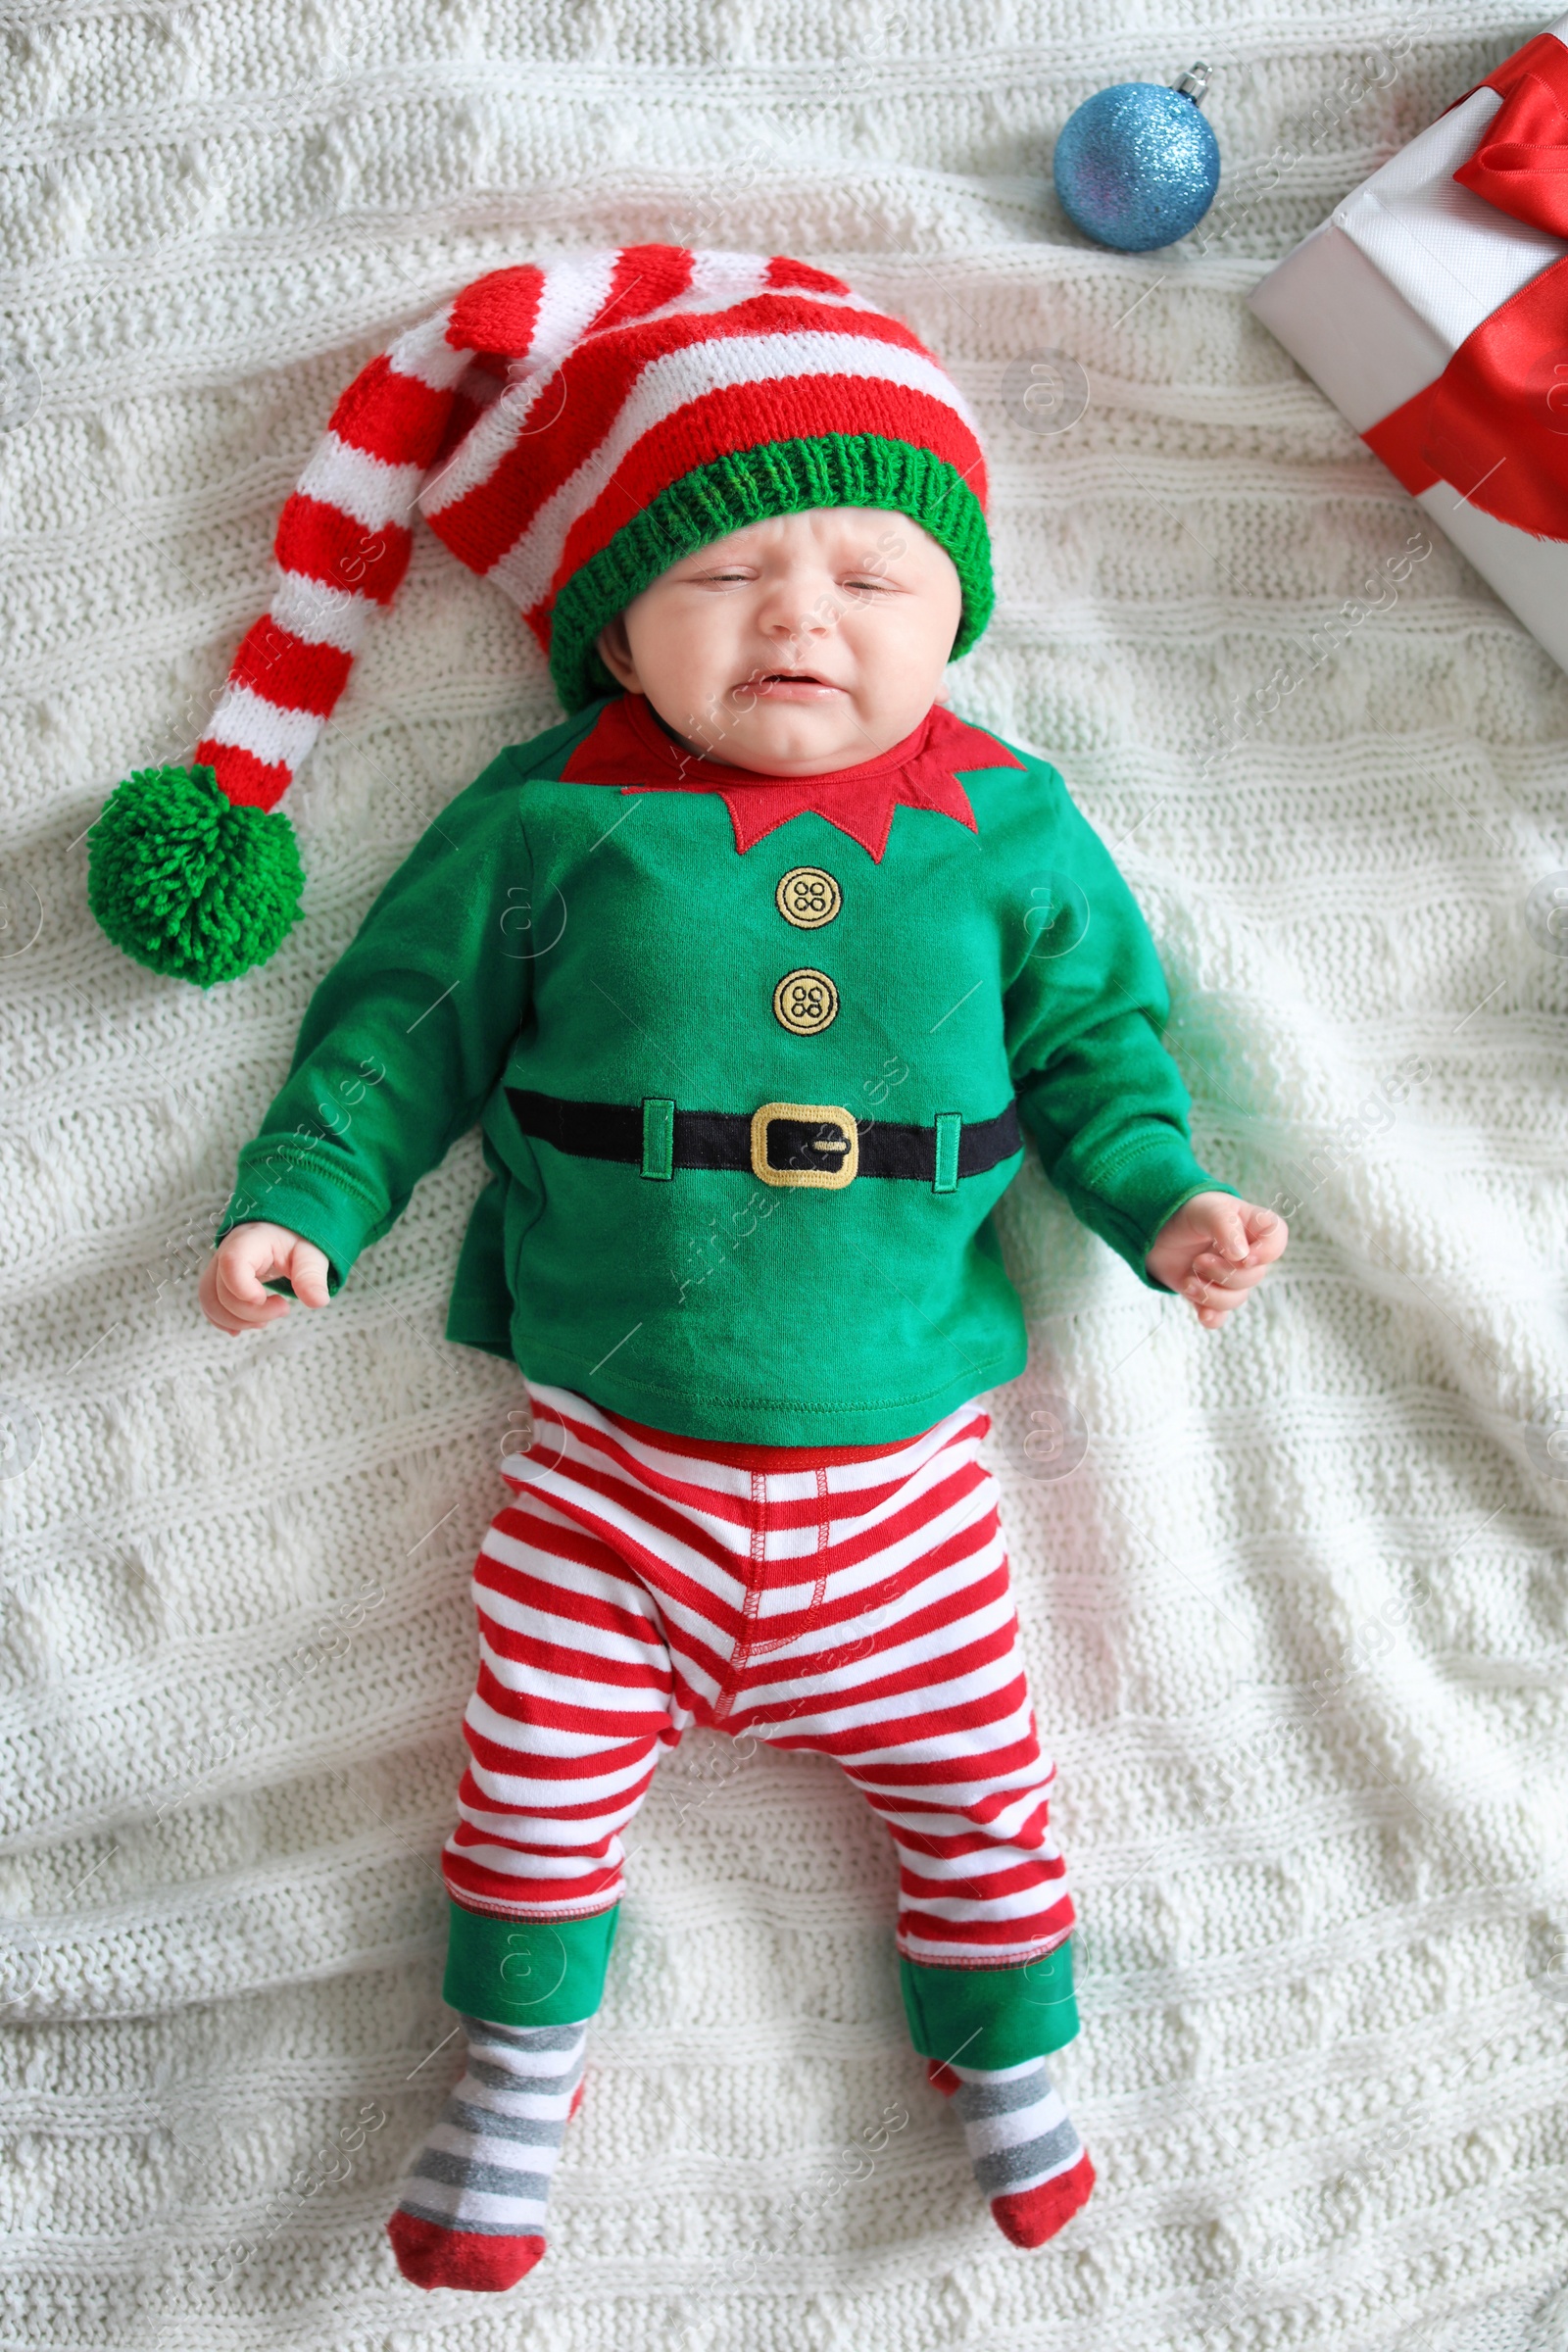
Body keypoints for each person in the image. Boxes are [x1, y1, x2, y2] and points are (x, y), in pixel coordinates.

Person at [181, 246, 1286, 2292]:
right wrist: (305, 1204)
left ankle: (1020, 2066)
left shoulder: (1004, 825)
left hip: (902, 1504)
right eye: (720, 576)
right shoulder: (546, 819)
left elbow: (1095, 1051)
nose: (797, 617)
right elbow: (398, 1024)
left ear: (955, 609)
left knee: (986, 1794)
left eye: (868, 576)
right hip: (607, 1491)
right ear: (612, 624)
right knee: (525, 1801)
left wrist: (1164, 1205)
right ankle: (512, 2084)